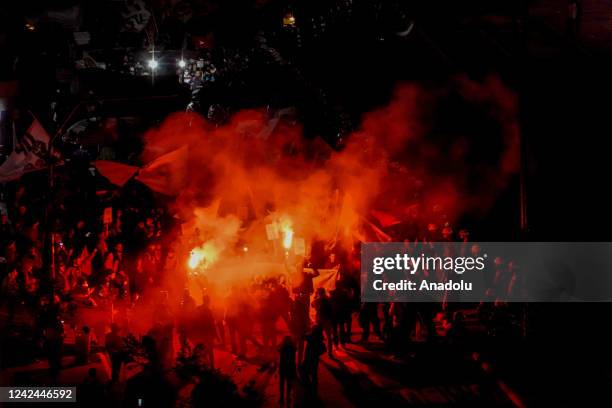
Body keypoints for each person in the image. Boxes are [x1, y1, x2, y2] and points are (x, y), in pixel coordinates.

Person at [301, 325, 325, 394]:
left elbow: (303, 336)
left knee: (304, 370)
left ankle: (308, 388)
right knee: (314, 373)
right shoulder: (319, 337)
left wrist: (305, 331)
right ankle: (314, 388)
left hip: (309, 357)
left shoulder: (311, 337)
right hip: (315, 358)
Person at [278, 335, 297, 406]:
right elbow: (296, 348)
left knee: (282, 383)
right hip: (289, 367)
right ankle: (287, 397)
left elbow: (278, 348)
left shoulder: (282, 348)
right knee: (288, 383)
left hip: (284, 367)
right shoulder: (293, 348)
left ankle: (282, 398)